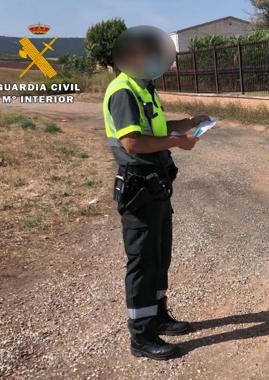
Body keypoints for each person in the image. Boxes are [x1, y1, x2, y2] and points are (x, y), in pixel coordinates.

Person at [103, 25, 209, 360]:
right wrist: (179, 141)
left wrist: (187, 122)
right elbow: (133, 142)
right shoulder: (123, 91)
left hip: (157, 185)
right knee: (142, 263)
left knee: (160, 257)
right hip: (139, 186)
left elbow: (155, 128)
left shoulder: (144, 88)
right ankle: (141, 336)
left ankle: (158, 315)